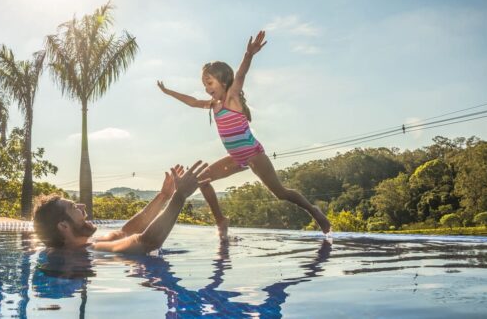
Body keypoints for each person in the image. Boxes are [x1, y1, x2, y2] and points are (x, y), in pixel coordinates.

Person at [157, 30, 331, 237]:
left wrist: (248, 55)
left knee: (281, 193)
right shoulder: (213, 105)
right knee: (202, 181)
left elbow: (240, 75)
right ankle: (221, 220)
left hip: (254, 154)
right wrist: (168, 92)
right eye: (204, 84)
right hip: (236, 158)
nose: (206, 89)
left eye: (209, 83)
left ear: (223, 82)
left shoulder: (232, 98)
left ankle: (314, 211)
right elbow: (192, 102)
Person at [33, 161, 210, 254]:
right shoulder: (87, 252)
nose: (82, 206)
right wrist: (180, 196)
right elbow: (147, 243)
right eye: (73, 207)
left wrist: (164, 196)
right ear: (63, 226)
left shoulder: (87, 244)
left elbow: (125, 232)